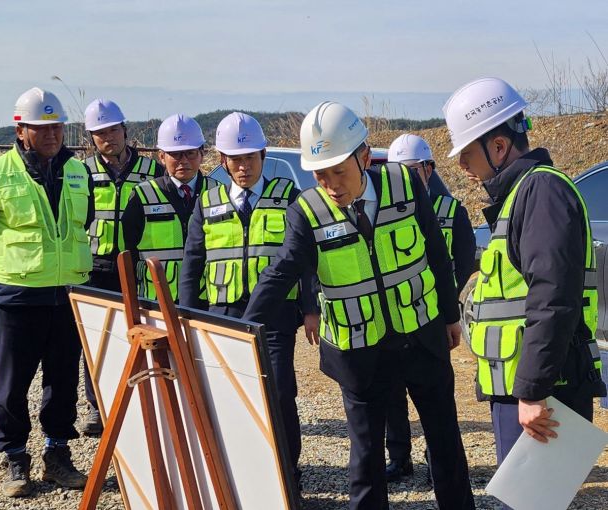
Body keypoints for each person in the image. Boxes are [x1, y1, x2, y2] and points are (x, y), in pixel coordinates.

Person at [243, 101, 474, 509]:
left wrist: (450, 316)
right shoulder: (307, 213)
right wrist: (236, 332)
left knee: (445, 444)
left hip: (421, 338)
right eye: (320, 173)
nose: (330, 184)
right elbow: (280, 273)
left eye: (338, 170)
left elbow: (438, 253)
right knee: (365, 460)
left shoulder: (405, 184)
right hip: (360, 352)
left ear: (364, 157)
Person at [443, 77, 606, 509]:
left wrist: (532, 390)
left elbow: (553, 300)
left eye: (467, 154)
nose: (462, 167)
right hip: (527, 388)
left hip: (544, 392)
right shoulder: (521, 195)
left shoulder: (541, 192)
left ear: (498, 147)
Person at [0, 87, 93, 497]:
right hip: (18, 297)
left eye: (57, 127)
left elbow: (80, 221)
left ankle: (58, 455)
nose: (52, 135)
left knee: (63, 381)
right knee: (13, 384)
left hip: (66, 294)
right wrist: (11, 264)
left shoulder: (77, 171)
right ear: (22, 131)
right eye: (42, 128)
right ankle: (15, 459)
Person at [178, 112, 318, 489]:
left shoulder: (287, 196)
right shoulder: (207, 202)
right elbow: (192, 263)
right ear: (223, 161)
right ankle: (239, 471)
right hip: (221, 315)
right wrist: (187, 316)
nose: (243, 167)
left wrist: (310, 307)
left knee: (280, 392)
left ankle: (288, 471)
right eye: (235, 159)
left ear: (263, 155)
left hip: (274, 317)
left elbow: (305, 257)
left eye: (250, 158)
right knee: (227, 394)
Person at [384, 134, 476, 482]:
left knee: (435, 394)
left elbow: (464, 259)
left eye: (410, 170)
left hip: (435, 317)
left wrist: (445, 302)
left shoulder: (452, 211)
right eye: (397, 171)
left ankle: (435, 455)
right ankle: (399, 456)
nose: (404, 178)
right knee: (392, 389)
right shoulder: (386, 211)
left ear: (428, 169)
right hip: (395, 317)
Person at [81, 98, 164, 435]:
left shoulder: (152, 171)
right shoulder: (82, 172)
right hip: (96, 267)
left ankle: (145, 399)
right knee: (96, 341)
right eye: (100, 133)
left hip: (137, 268)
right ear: (91, 137)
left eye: (113, 130)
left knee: (142, 336)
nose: (108, 138)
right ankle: (96, 406)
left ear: (125, 131)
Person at [122, 114, 218, 300]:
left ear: (202, 153)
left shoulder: (217, 193)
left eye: (190, 152)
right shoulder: (142, 196)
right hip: (157, 301)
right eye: (175, 154)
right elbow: (129, 251)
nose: (183, 160)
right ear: (162, 156)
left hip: (207, 301)